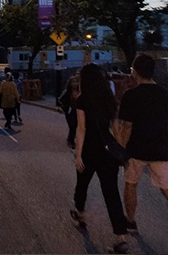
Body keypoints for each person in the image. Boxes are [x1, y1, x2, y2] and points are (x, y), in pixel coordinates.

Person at [71, 63, 130, 253]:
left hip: (89, 149)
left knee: (82, 184)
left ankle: (80, 214)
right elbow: (117, 129)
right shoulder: (110, 98)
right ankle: (120, 235)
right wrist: (120, 152)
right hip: (107, 152)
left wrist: (78, 154)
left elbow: (82, 129)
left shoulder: (82, 99)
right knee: (111, 192)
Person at [117, 54, 167, 231]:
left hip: (136, 150)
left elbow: (126, 127)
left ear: (135, 72)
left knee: (131, 184)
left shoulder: (130, 95)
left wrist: (121, 151)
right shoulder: (165, 94)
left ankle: (130, 221)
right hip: (162, 149)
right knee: (167, 187)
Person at [58, 74, 81, 149]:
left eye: (76, 82)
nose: (74, 84)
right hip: (70, 111)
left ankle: (70, 138)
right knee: (72, 126)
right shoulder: (67, 92)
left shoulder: (80, 91)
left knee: (77, 125)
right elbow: (60, 100)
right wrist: (63, 108)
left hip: (78, 111)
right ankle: (71, 141)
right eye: (73, 82)